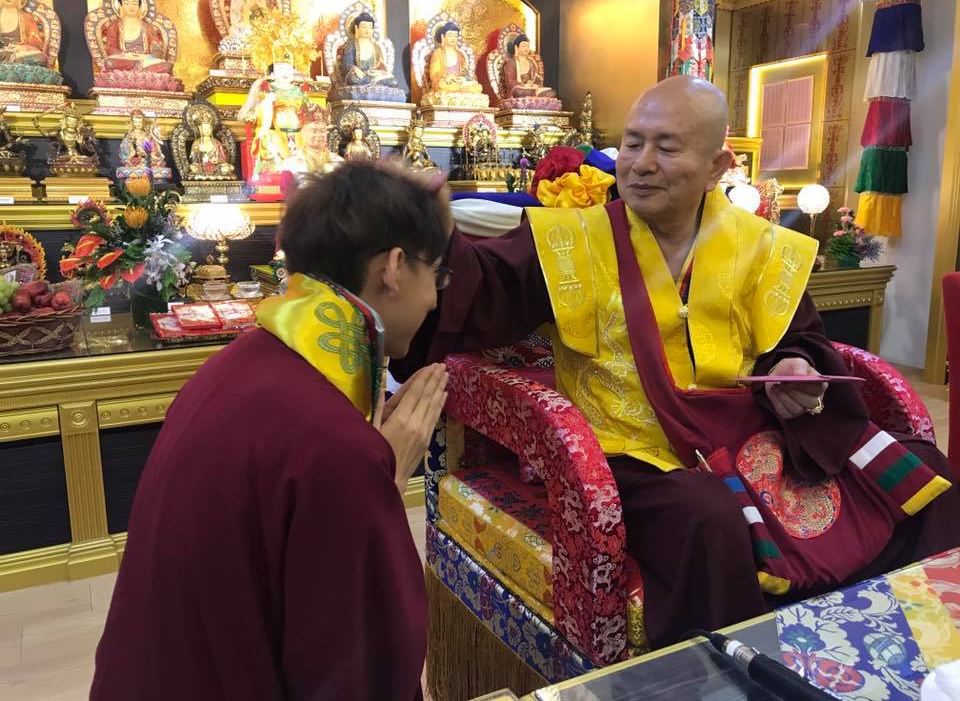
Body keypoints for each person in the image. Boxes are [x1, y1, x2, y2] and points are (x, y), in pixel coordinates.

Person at [395, 76, 960, 650]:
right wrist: (432, 232)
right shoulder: (572, 241)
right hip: (630, 451)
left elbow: (799, 337)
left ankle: (903, 649)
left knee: (924, 473)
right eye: (632, 143)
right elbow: (479, 292)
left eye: (666, 147)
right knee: (707, 517)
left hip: (748, 434)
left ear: (718, 166)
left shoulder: (759, 246)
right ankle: (738, 675)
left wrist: (793, 367)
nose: (640, 164)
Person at [91, 162, 452, 700]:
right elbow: (363, 674)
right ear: (395, 268)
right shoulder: (339, 450)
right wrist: (379, 484)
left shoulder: (237, 364)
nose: (435, 300)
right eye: (437, 274)